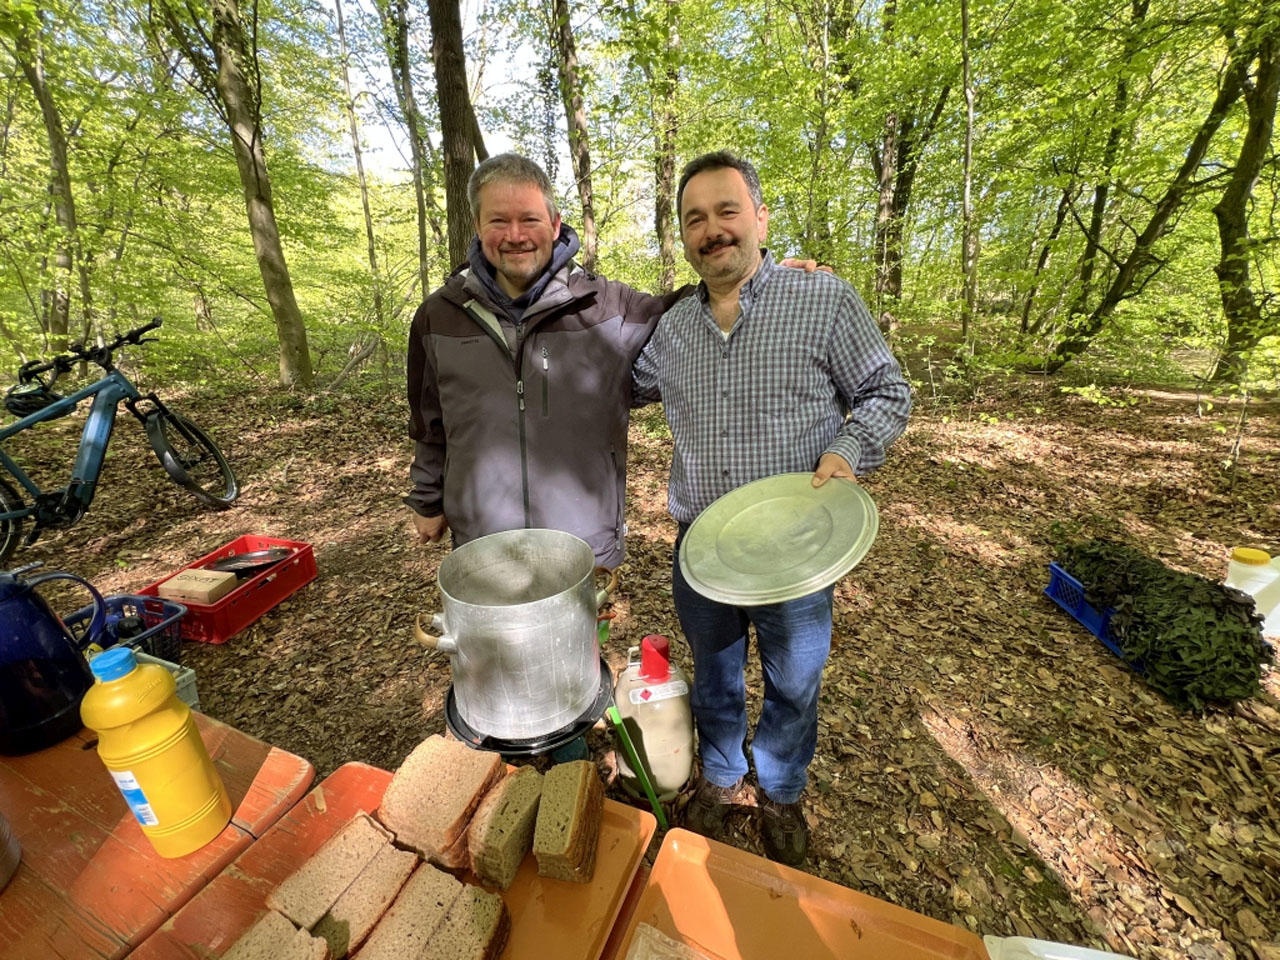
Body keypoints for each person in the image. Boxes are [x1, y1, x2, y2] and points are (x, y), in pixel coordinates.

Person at [632, 151, 911, 866]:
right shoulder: (671, 331)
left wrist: (849, 449)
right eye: (695, 218)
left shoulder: (823, 300)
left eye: (727, 210)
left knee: (794, 681)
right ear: (683, 236)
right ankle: (722, 776)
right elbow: (612, 379)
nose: (712, 229)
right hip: (701, 546)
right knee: (715, 672)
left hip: (796, 546)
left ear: (759, 216)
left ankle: (782, 789)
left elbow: (886, 389)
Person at [405, 152, 824, 568]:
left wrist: (760, 278)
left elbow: (694, 307)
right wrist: (427, 498)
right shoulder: (438, 317)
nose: (515, 235)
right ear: (477, 226)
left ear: (554, 224)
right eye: (498, 220)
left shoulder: (607, 308)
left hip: (583, 549)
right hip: (483, 547)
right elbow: (429, 422)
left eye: (529, 219)